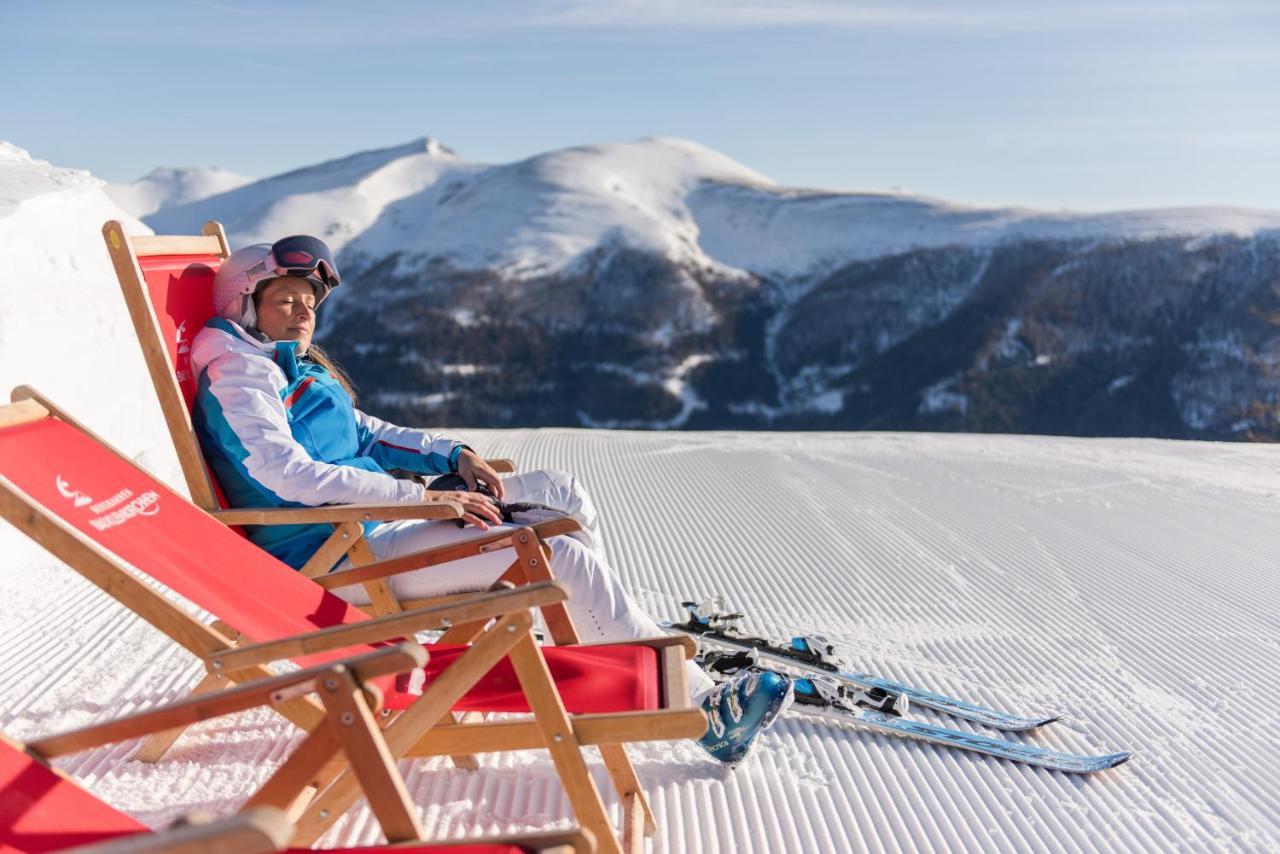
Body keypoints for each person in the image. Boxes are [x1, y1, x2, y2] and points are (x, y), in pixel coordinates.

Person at [190, 235, 792, 766]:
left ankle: (594, 631)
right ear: (246, 304)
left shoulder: (285, 363)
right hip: (334, 556)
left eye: (310, 303)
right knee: (560, 559)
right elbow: (286, 475)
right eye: (286, 300)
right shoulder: (240, 378)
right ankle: (703, 714)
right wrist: (421, 498)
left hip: (375, 523)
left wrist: (453, 457)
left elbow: (365, 432)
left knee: (557, 490)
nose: (303, 314)